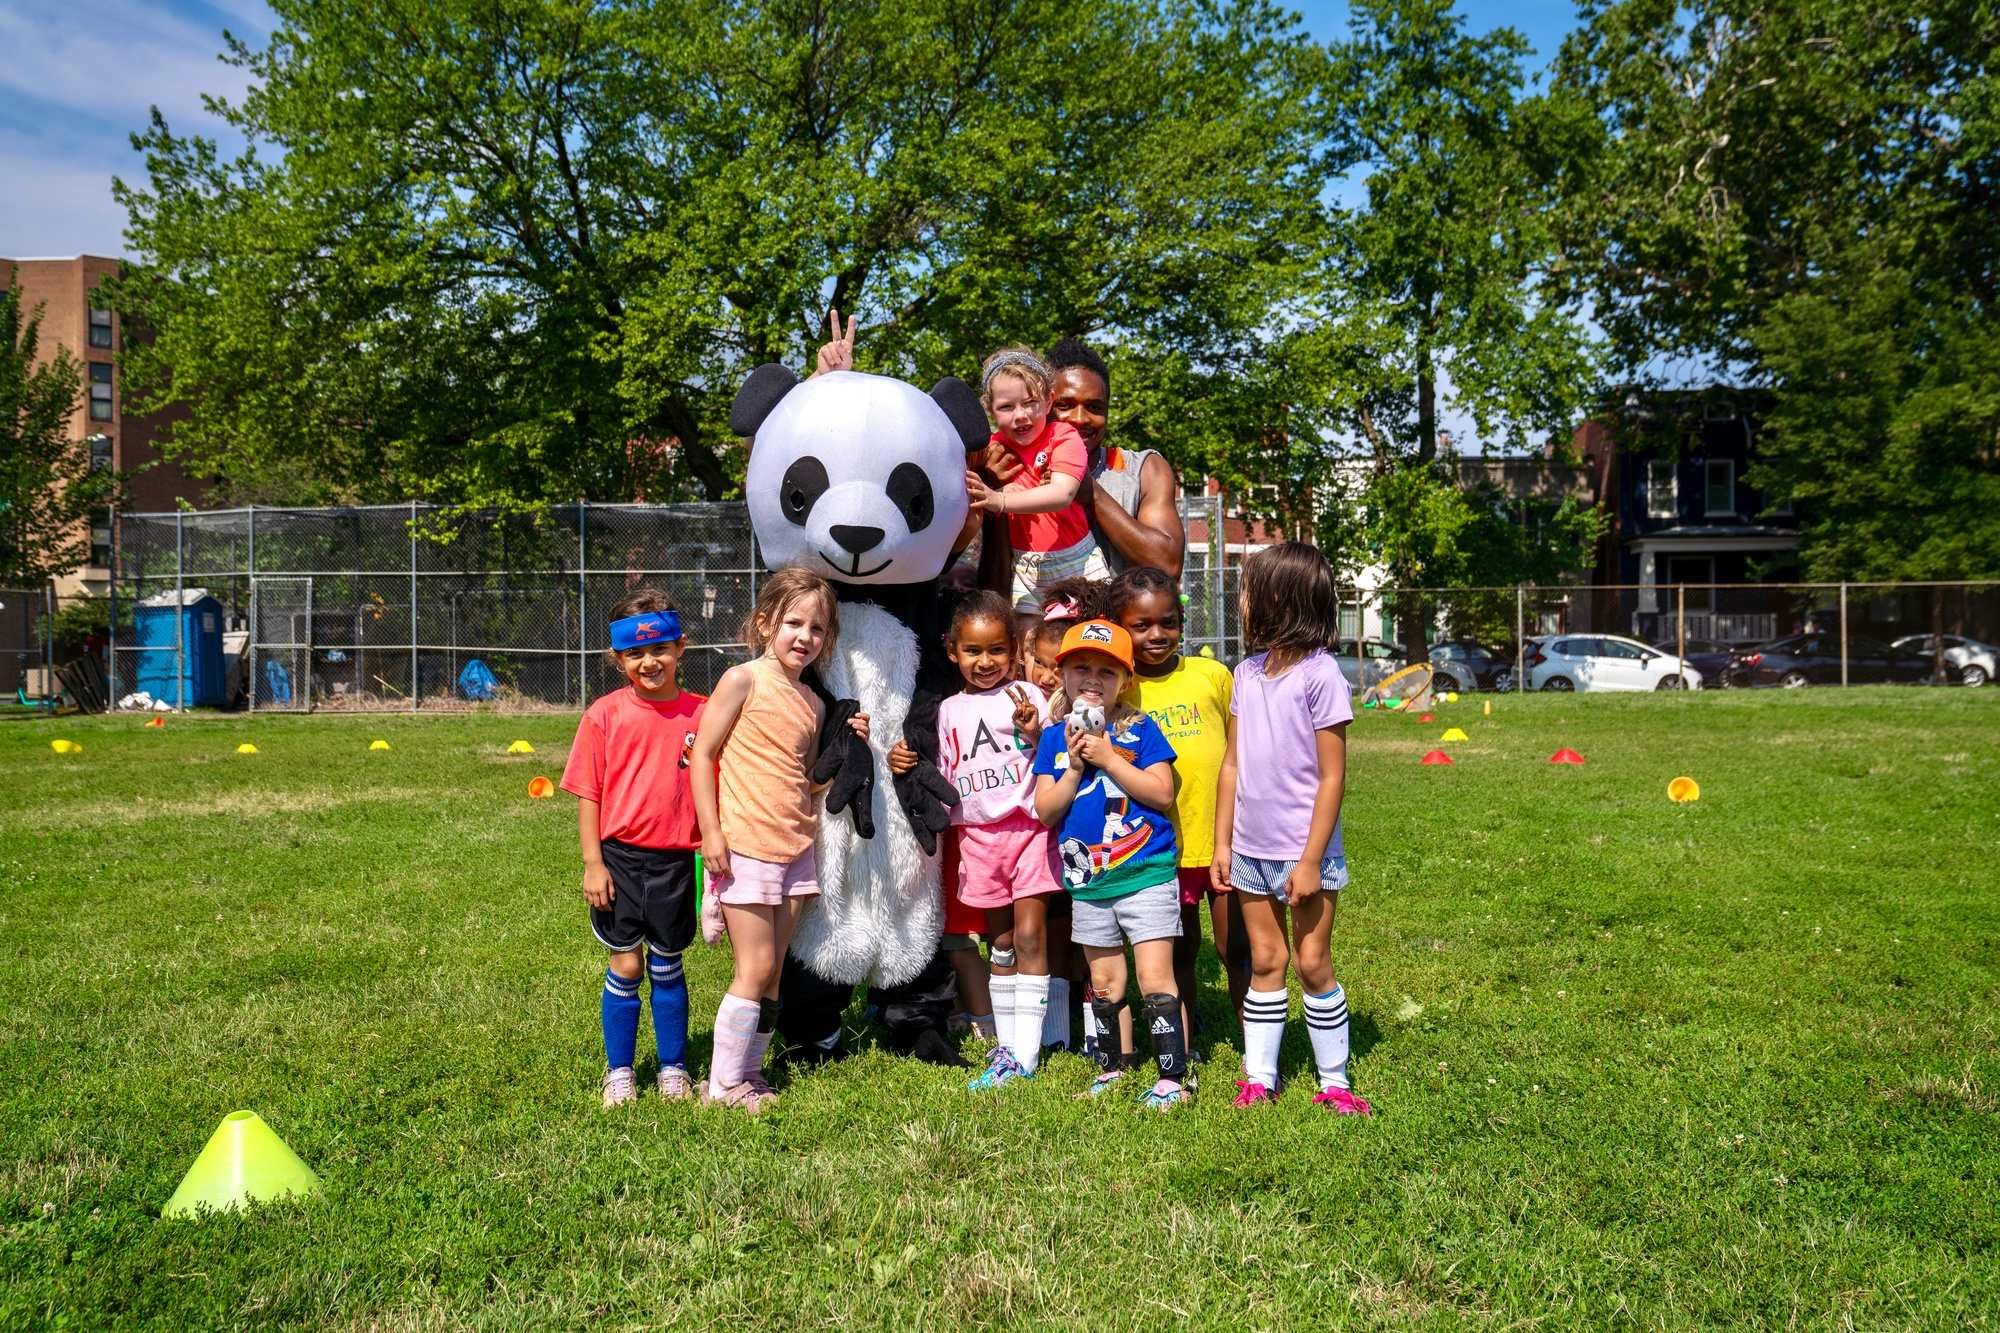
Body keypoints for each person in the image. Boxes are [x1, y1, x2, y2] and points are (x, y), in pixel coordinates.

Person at [689, 567, 868, 1113]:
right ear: (765, 623)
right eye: (793, 623)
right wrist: (711, 832)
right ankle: (721, 1085)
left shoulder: (812, 705)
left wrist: (842, 745)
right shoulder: (742, 679)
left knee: (775, 971)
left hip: (796, 847)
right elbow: (703, 754)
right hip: (745, 844)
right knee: (756, 968)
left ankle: (749, 1073)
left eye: (817, 630)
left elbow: (807, 779)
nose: (804, 637)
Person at [1212, 542, 1372, 1116]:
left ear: (1282, 598)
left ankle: (1334, 1082)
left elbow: (1332, 778)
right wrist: (1222, 843)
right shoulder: (1245, 674)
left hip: (1305, 854)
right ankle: (1260, 1078)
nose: (1243, 601)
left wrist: (1309, 861)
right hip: (1250, 852)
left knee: (1311, 963)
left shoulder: (1322, 675)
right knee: (1264, 961)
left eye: (1251, 590)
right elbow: (1232, 763)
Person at [890, 590, 1058, 1088]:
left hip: (1028, 830)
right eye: (973, 652)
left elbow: (1057, 756)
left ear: (1014, 649)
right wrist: (908, 763)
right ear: (952, 651)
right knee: (1000, 942)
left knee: (1030, 936)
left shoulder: (1029, 698)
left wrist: (1034, 732)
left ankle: (1026, 1054)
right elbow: (945, 773)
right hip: (979, 839)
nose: (985, 662)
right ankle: (1006, 1047)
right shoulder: (947, 712)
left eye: (997, 651)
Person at [1032, 619, 1192, 1108]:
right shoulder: (1053, 739)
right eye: (1081, 667)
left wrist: (1108, 758)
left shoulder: (1139, 728)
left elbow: (1163, 793)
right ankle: (1114, 1066)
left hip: (1145, 873)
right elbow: (1046, 810)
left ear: (1126, 680)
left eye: (1107, 670)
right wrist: (1076, 767)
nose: (1093, 679)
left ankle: (1174, 1077)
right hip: (1089, 882)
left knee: (1154, 978)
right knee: (1103, 982)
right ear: (1062, 674)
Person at [561, 589, 706, 1109]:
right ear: (619, 658)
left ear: (680, 647)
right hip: (619, 860)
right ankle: (619, 1071)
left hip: (677, 862)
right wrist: (593, 863)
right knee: (626, 966)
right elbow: (588, 793)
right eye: (637, 654)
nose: (651, 662)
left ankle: (673, 1068)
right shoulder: (603, 715)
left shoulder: (703, 714)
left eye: (661, 649)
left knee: (667, 963)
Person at [1106, 566, 1248, 1037]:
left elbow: (1240, 750)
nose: (1156, 634)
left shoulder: (1212, 675)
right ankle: (1188, 1036)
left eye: (1167, 622)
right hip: (1161, 849)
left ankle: (1255, 1040)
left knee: (1237, 949)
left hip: (1224, 840)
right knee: (1180, 951)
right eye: (1141, 626)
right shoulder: (1120, 690)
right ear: (1120, 627)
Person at [983, 337, 1186, 578]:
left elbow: (1168, 565)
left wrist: (1092, 492)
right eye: (1065, 405)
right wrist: (993, 489)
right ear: (1045, 403)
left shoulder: (1144, 469)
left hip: (1113, 614)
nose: (1080, 418)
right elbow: (990, 579)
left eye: (1095, 407)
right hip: (1032, 611)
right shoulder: (1004, 463)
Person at [963, 347, 1108, 621]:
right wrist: (992, 485)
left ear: (1048, 400)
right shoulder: (990, 449)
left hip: (1077, 560)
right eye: (1006, 406)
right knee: (1029, 649)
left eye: (1030, 402)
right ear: (990, 410)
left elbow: (1062, 493)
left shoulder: (1063, 436)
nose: (1020, 415)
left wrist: (1000, 500)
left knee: (1094, 639)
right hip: (1026, 566)